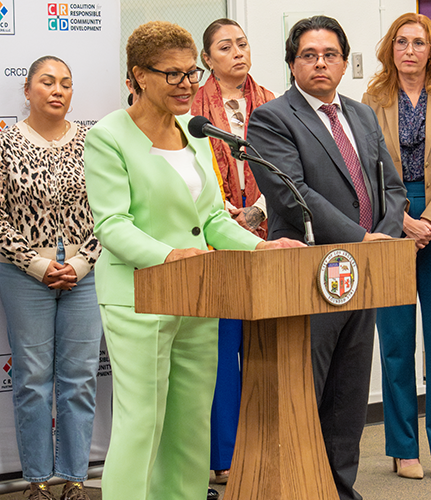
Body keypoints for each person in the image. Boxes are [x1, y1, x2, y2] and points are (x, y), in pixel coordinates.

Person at [83, 21, 303, 500]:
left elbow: (212, 221)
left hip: (200, 295)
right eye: (174, 75)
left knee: (189, 428)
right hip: (139, 298)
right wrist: (171, 255)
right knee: (142, 424)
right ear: (139, 76)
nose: (188, 84)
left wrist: (261, 247)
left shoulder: (197, 132)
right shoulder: (108, 137)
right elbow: (113, 225)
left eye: (193, 73)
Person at [246, 16, 407, 500]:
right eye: (309, 55)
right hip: (308, 274)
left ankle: (339, 489)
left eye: (330, 54)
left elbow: (393, 189)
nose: (320, 63)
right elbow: (294, 194)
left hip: (363, 273)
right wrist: (362, 238)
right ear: (293, 63)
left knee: (349, 395)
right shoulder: (271, 118)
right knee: (303, 394)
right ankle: (300, 489)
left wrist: (381, 237)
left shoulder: (361, 115)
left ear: (343, 61)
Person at [0, 56, 102, 500]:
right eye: (48, 82)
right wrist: (36, 263)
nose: (58, 91)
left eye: (66, 84)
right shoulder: (8, 142)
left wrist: (83, 262)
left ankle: (73, 477)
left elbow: (109, 211)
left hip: (84, 276)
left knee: (80, 377)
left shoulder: (92, 141)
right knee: (32, 377)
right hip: (24, 275)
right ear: (27, 90)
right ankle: (36, 480)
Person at [362, 12, 431, 481]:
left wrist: (427, 222)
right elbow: (370, 170)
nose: (410, 50)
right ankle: (403, 447)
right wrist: (402, 220)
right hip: (391, 220)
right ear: (392, 48)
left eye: (419, 43)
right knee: (396, 344)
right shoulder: (371, 99)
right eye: (402, 42)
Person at [191, 17, 275, 485]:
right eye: (225, 47)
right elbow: (190, 173)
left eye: (242, 44)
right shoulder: (193, 110)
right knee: (222, 350)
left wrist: (259, 212)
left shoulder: (273, 104)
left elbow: (287, 167)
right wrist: (226, 214)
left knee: (266, 345)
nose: (237, 53)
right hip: (215, 236)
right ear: (207, 59)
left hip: (267, 234)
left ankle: (264, 444)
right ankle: (223, 458)